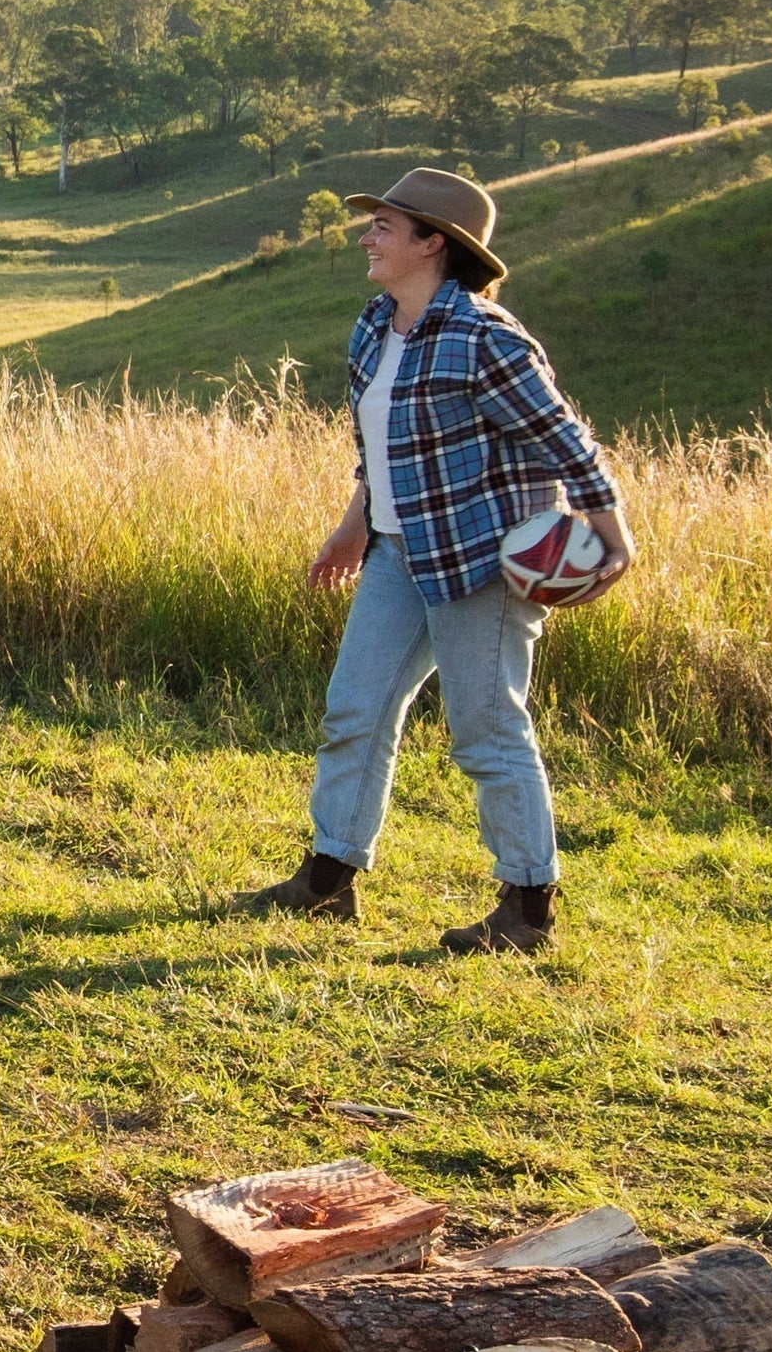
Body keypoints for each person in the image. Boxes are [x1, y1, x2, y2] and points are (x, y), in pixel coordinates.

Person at [239, 165, 632, 957]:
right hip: (397, 551)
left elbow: (565, 440)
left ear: (434, 243)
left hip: (482, 561)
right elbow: (376, 447)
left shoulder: (486, 338)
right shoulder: (373, 326)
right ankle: (327, 880)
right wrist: (354, 525)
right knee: (354, 710)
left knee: (486, 731)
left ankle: (527, 909)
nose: (367, 237)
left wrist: (609, 531)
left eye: (385, 225)